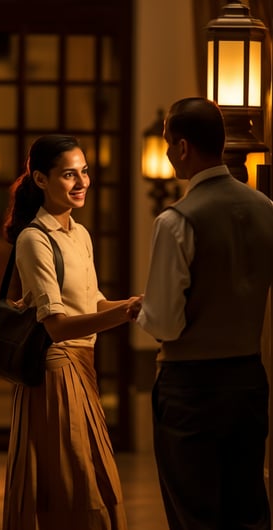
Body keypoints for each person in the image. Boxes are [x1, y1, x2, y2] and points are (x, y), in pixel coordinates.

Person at [129, 97, 273, 530]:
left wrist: (141, 310)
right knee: (248, 509)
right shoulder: (267, 210)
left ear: (184, 146)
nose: (170, 152)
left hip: (191, 388)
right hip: (249, 378)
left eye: (169, 142)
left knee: (195, 514)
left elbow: (166, 322)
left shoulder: (177, 221)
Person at [1, 134, 140, 530]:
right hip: (56, 373)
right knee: (74, 483)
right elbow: (57, 326)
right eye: (68, 175)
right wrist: (124, 312)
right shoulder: (33, 239)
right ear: (41, 179)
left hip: (83, 368)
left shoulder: (80, 235)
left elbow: (94, 303)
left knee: (87, 480)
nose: (81, 183)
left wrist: (136, 304)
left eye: (84, 172)